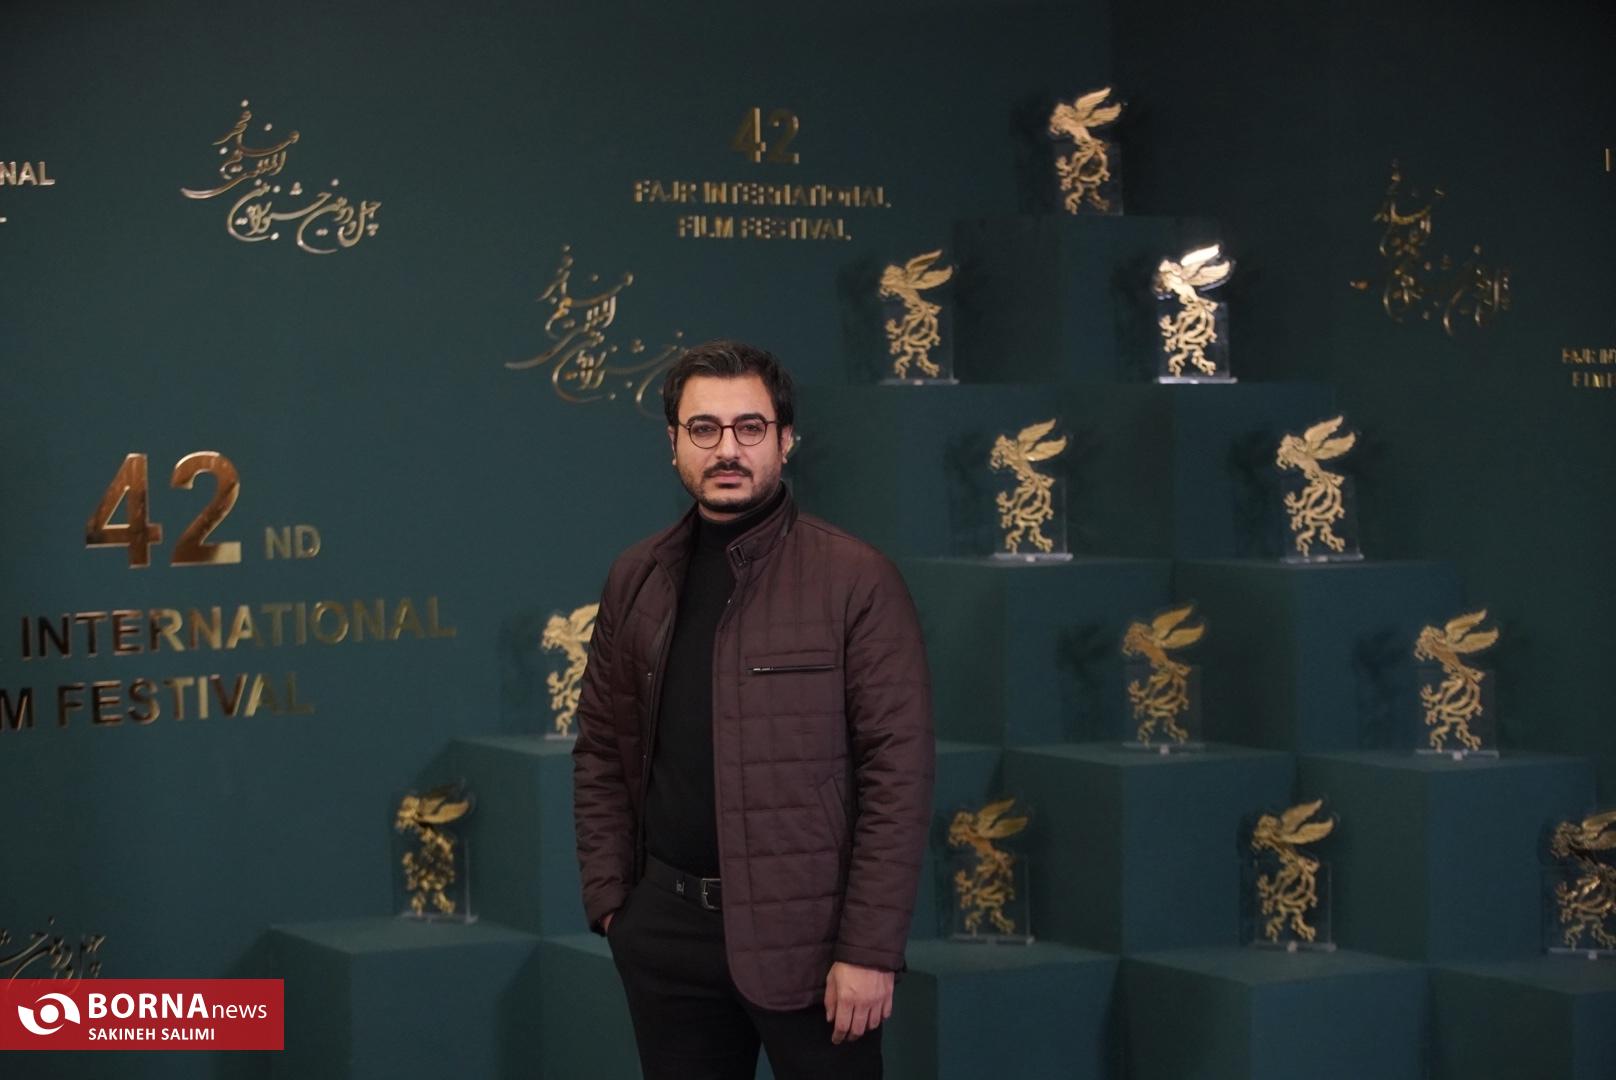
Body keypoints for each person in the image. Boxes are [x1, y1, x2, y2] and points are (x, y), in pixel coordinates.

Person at [571, 340, 935, 1079]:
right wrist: (615, 903)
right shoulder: (636, 577)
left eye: (750, 427)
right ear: (674, 442)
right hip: (666, 934)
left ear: (785, 439)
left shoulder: (856, 579)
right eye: (704, 428)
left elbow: (898, 775)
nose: (727, 449)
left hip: (815, 942)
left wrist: (869, 950)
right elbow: (603, 749)